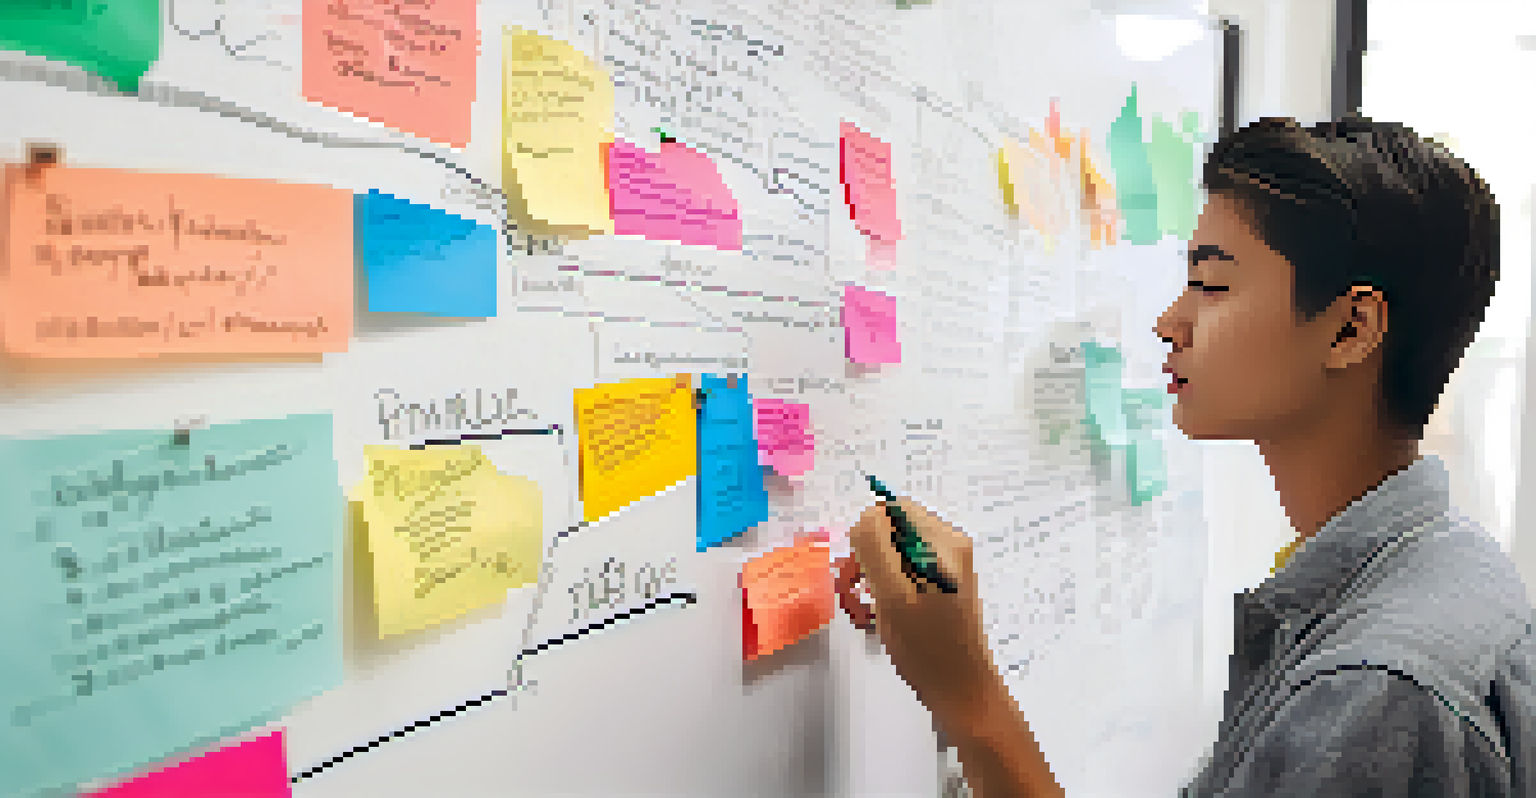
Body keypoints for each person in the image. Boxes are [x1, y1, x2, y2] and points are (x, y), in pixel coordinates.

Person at [838, 115, 1536, 797]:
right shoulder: (1447, 560)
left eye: (1211, 284)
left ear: (1350, 328)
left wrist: (970, 700)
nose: (1169, 321)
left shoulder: (1375, 694)